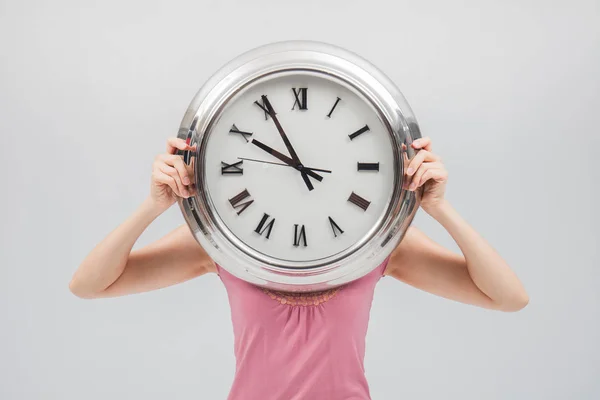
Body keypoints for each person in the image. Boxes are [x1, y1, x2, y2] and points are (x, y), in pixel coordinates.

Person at [69, 135, 529, 400]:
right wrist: (153, 207)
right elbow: (90, 285)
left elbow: (508, 297)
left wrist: (439, 210)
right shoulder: (224, 241)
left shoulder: (375, 243)